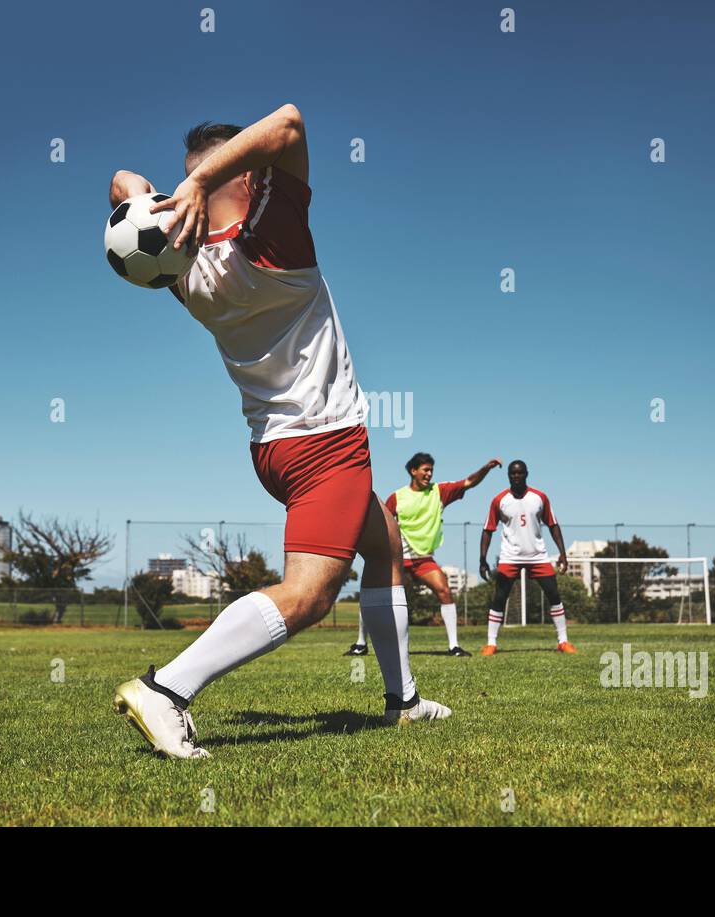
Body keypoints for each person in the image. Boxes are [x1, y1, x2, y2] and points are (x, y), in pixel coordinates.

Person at [109, 105, 449, 758]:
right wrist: (203, 181)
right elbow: (290, 123)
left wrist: (152, 195)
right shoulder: (272, 238)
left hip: (272, 450)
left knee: (385, 542)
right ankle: (167, 689)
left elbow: (122, 180)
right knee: (310, 595)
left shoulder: (181, 273)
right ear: (241, 178)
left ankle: (402, 701)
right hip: (326, 443)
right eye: (250, 170)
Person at [346, 453, 501, 657]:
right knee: (373, 593)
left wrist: (486, 468)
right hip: (397, 558)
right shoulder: (397, 497)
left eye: (431, 471)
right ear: (413, 471)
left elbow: (469, 482)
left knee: (444, 590)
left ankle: (453, 646)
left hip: (423, 559)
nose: (429, 474)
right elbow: (382, 523)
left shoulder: (439, 491)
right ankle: (360, 644)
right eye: (425, 470)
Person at [477, 460, 576, 655]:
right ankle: (491, 643)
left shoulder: (539, 497)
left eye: (519, 473)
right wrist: (482, 559)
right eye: (512, 474)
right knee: (499, 597)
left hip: (537, 556)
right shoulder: (499, 500)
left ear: (526, 474)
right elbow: (487, 530)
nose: (516, 476)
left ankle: (563, 641)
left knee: (554, 595)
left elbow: (553, 525)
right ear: (508, 476)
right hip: (510, 557)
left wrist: (563, 553)